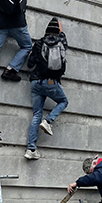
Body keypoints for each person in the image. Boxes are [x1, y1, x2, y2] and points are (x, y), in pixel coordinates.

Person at [23, 18, 68, 160]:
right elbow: (64, 43)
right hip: (50, 82)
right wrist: (61, 31)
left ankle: (31, 149)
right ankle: (48, 121)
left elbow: (30, 64)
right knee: (63, 101)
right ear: (57, 32)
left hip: (35, 82)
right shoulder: (61, 43)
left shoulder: (39, 43)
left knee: (37, 114)